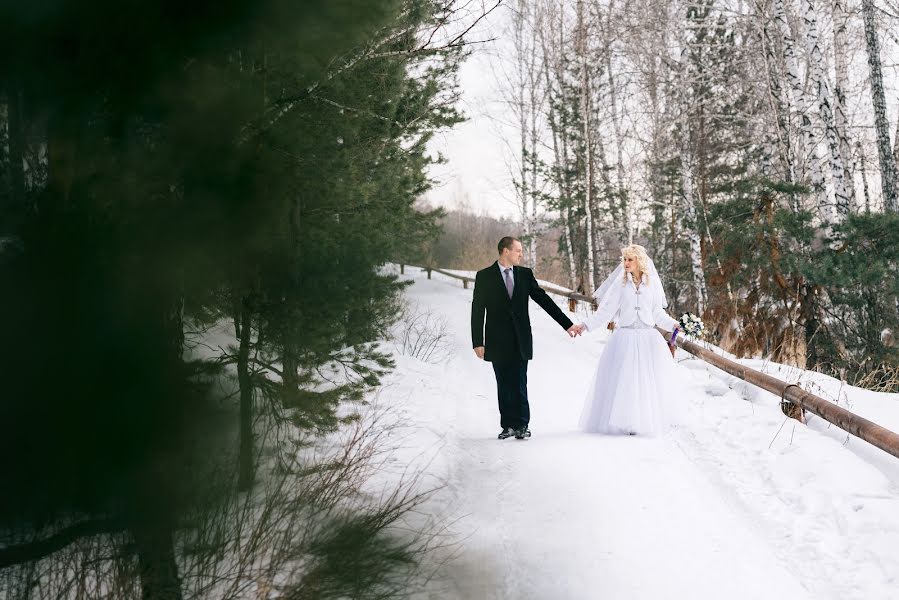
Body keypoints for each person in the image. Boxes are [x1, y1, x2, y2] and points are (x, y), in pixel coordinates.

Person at [471, 236, 582, 440]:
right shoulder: (485, 276)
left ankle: (522, 425)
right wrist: (477, 341)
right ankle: (508, 426)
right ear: (505, 251)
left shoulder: (525, 274)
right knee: (503, 383)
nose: (521, 254)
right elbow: (477, 310)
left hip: (521, 339)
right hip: (496, 339)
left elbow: (544, 300)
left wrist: (567, 324)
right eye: (518, 250)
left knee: (519, 382)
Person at [571, 244, 682, 436]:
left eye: (630, 259)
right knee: (627, 381)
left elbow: (657, 312)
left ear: (640, 261)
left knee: (648, 381)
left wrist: (674, 325)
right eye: (624, 259)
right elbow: (606, 311)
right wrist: (585, 325)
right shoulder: (620, 284)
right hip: (625, 338)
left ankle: (645, 421)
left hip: (648, 338)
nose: (626, 263)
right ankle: (626, 422)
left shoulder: (652, 283)